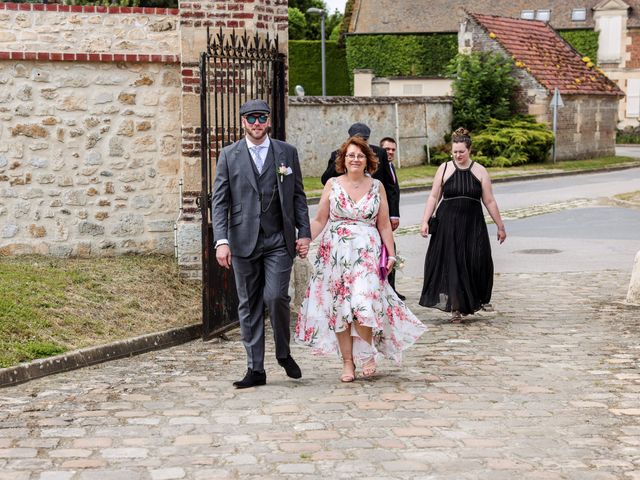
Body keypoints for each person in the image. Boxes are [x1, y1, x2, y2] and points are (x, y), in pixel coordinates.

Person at [296, 136, 426, 382]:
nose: (355, 159)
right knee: (340, 310)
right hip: (335, 255)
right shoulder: (332, 184)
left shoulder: (377, 186)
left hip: (367, 254)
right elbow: (320, 220)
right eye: (350, 155)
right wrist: (304, 239)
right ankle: (348, 363)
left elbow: (384, 224)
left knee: (363, 304)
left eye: (360, 155)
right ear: (343, 160)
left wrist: (392, 255)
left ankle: (365, 352)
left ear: (368, 160)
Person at [212, 99, 311, 389]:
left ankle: (283, 352)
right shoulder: (229, 155)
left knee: (276, 297)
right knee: (248, 304)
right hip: (243, 240)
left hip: (278, 239)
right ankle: (255, 368)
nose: (257, 123)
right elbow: (220, 202)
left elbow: (298, 196)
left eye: (262, 118)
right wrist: (222, 241)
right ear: (243, 121)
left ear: (269, 121)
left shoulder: (286, 152)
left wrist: (303, 232)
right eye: (251, 118)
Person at [419, 128, 506, 323]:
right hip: (448, 225)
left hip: (473, 224)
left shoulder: (480, 170)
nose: (458, 155)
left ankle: (472, 301)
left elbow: (489, 201)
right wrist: (425, 220)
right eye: (455, 151)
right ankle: (456, 308)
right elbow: (434, 196)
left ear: (469, 150)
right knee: (453, 264)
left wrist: (500, 225)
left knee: (476, 261)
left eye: (461, 151)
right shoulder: (444, 168)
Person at [320, 123, 400, 223]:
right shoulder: (338, 154)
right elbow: (325, 180)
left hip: (375, 210)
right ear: (350, 139)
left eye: (364, 140)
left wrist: (394, 215)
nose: (360, 143)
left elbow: (390, 186)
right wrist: (341, 157)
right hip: (347, 211)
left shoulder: (380, 153)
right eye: (357, 140)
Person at [379, 136, 405, 300]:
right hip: (379, 217)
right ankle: (386, 289)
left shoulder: (391, 166)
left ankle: (391, 288)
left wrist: (395, 215)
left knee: (390, 251)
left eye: (393, 149)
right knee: (388, 250)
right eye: (387, 149)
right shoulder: (378, 168)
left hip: (388, 217)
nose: (390, 152)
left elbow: (394, 192)